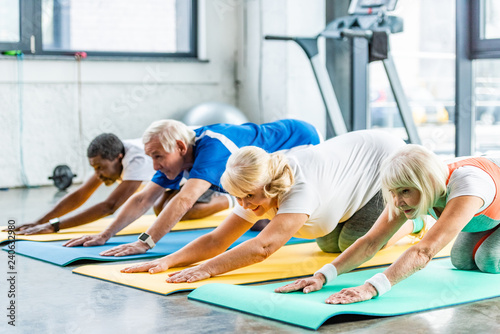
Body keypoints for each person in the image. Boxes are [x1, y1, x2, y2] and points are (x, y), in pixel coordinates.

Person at [121, 130, 409, 283]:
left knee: (350, 242)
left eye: (248, 198)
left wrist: (207, 270)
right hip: (346, 176)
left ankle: (412, 221)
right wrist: (168, 260)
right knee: (330, 246)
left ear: (270, 188)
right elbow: (218, 238)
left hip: (385, 164)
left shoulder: (299, 188)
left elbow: (263, 248)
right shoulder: (256, 184)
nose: (244, 205)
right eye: (239, 198)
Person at [275, 145, 500, 305]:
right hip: (487, 213)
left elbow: (424, 251)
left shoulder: (468, 187)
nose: (397, 202)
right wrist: (322, 276)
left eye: (404, 192)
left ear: (427, 185)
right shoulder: (413, 185)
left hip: (485, 200)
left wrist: (372, 287)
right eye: (393, 192)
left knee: (488, 260)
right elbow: (371, 241)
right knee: (461, 260)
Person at [63, 118, 321, 254]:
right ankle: (238, 203)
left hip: (300, 140)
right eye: (150, 156)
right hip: (262, 161)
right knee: (258, 215)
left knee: (278, 213)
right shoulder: (175, 155)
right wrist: (104, 235)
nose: (154, 166)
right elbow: (144, 199)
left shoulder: (213, 147)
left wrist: (145, 242)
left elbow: (185, 200)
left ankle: (234, 202)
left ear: (180, 147)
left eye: (158, 157)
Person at [11, 133, 155, 235]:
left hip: (178, 184)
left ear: (119, 158)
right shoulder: (113, 152)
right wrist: (40, 222)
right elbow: (81, 194)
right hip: (170, 184)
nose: (97, 175)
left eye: (100, 168)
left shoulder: (137, 160)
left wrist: (53, 226)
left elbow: (109, 206)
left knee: (163, 207)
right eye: (94, 168)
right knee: (160, 206)